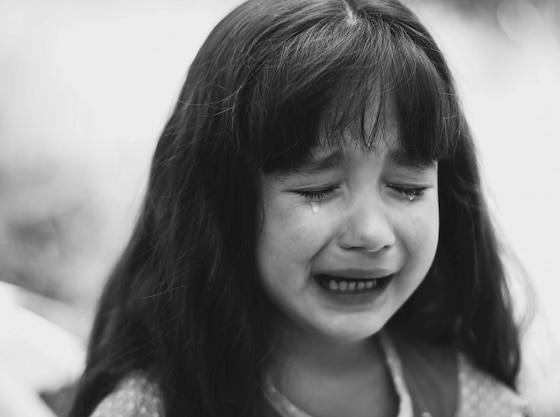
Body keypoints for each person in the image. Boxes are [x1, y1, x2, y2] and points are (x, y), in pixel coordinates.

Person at [69, 0, 530, 416]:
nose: (371, 233)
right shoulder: (149, 408)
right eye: (319, 189)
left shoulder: (474, 402)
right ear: (223, 202)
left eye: (407, 188)